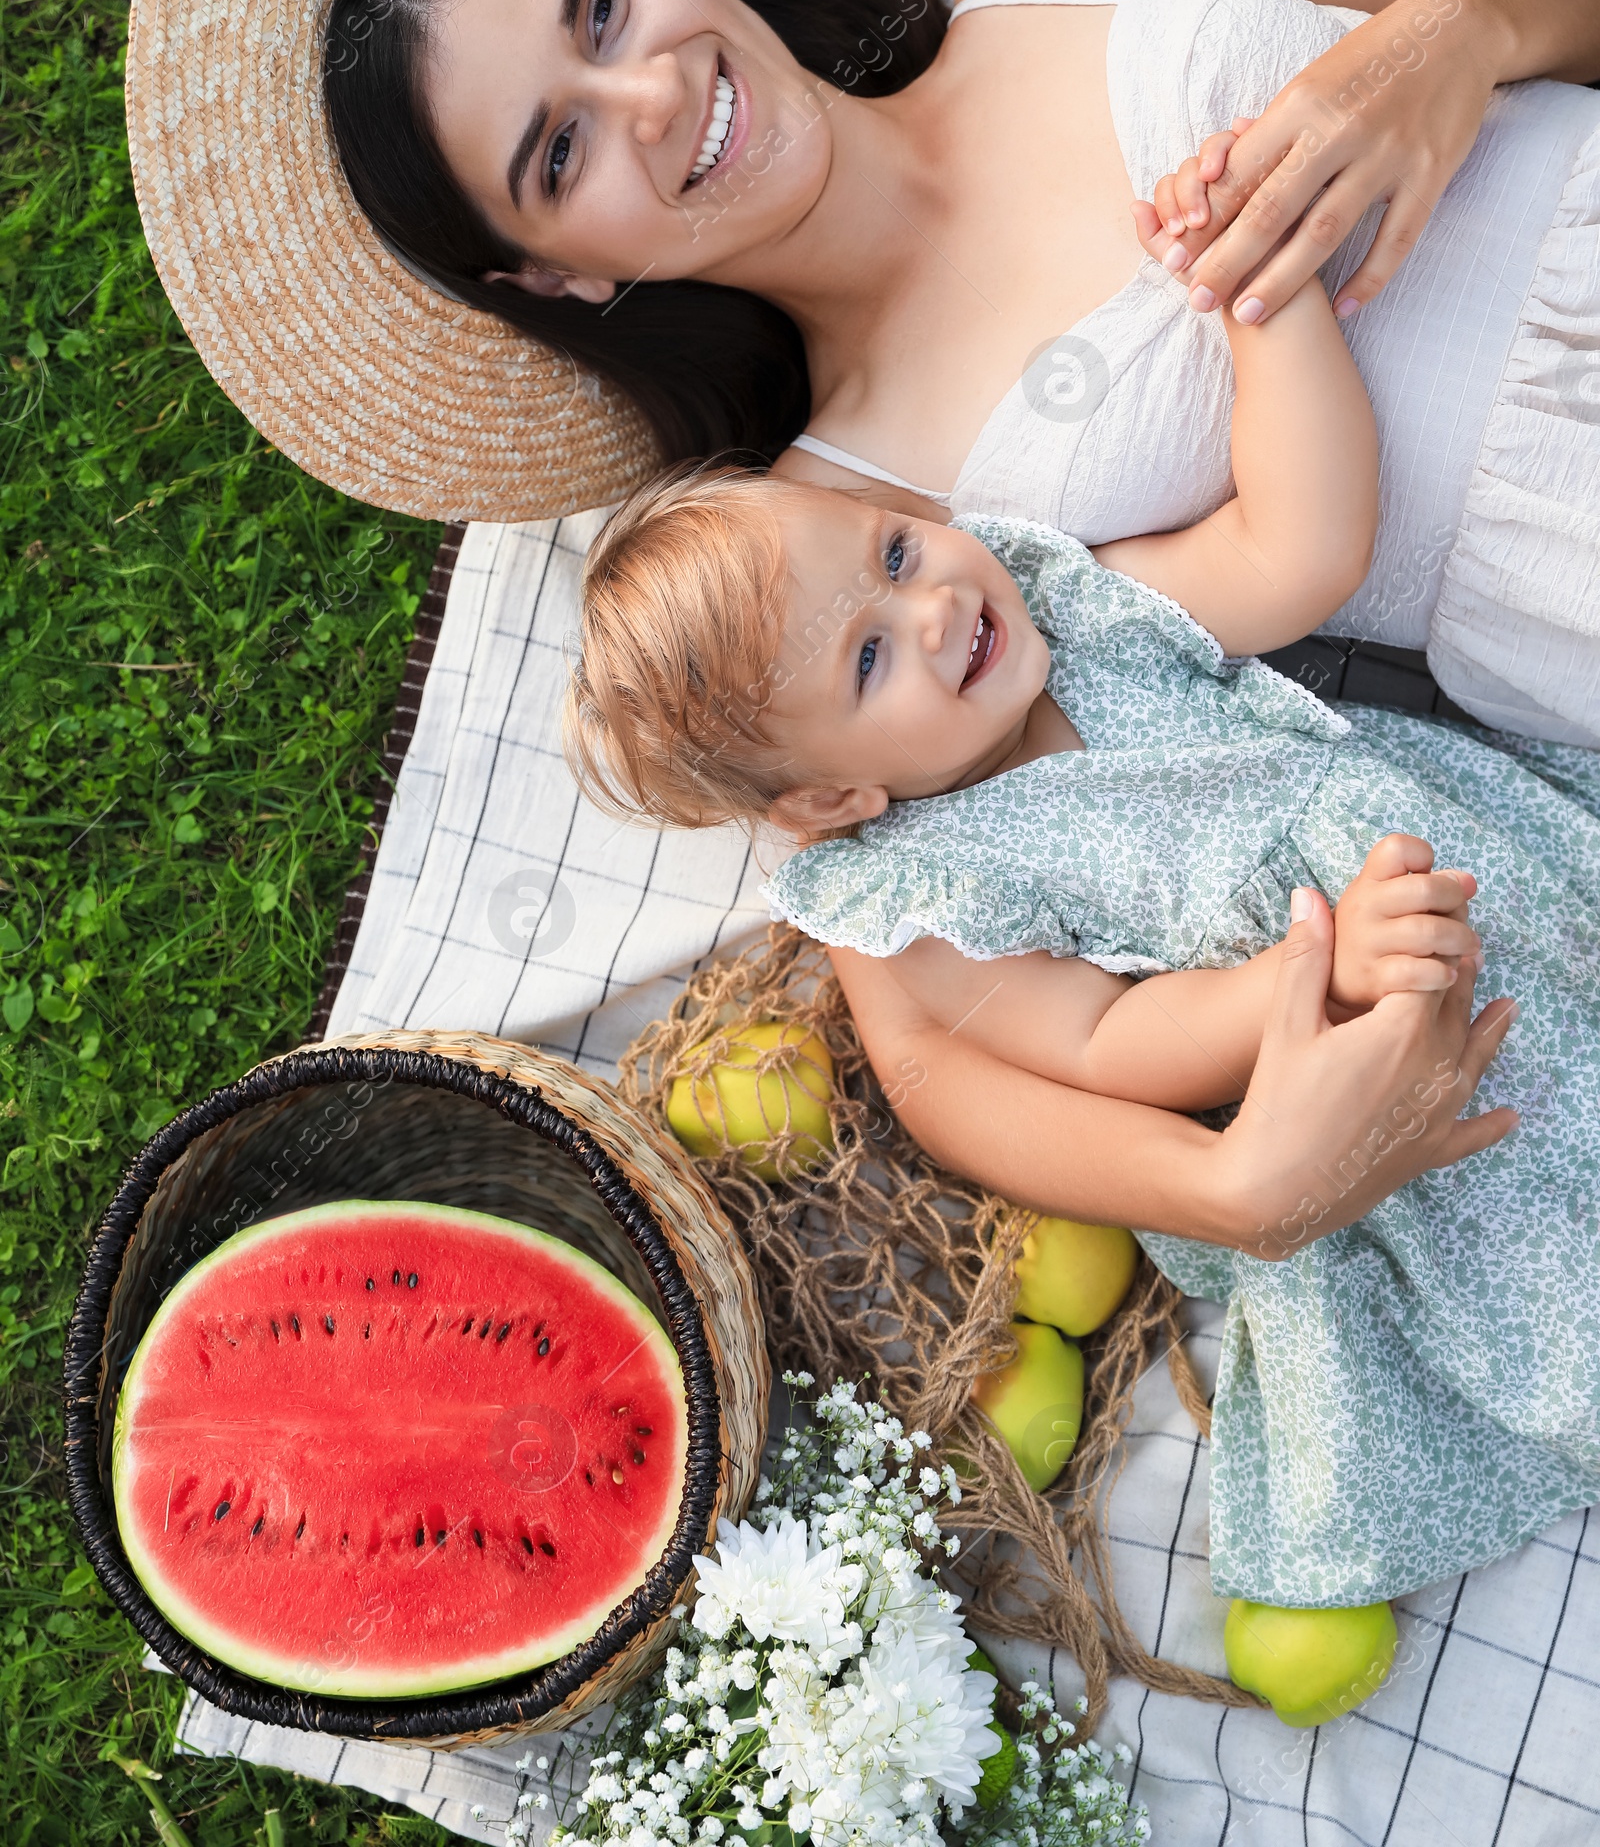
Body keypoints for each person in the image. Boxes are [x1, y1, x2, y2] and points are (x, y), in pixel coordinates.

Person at [129, 0, 1600, 746]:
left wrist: (1448, 38)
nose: (653, 95)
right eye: (560, 157)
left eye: (602, 6)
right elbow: (1197, 659)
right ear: (555, 277)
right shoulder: (855, 521)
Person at [561, 261, 1600, 1613]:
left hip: (1497, 857)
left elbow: (1298, 542)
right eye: (868, 659)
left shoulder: (1073, 608)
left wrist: (1265, 309)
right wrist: (1313, 971)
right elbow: (1109, 1039)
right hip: (1354, 1026)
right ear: (830, 798)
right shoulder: (931, 895)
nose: (934, 608)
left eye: (892, 549)